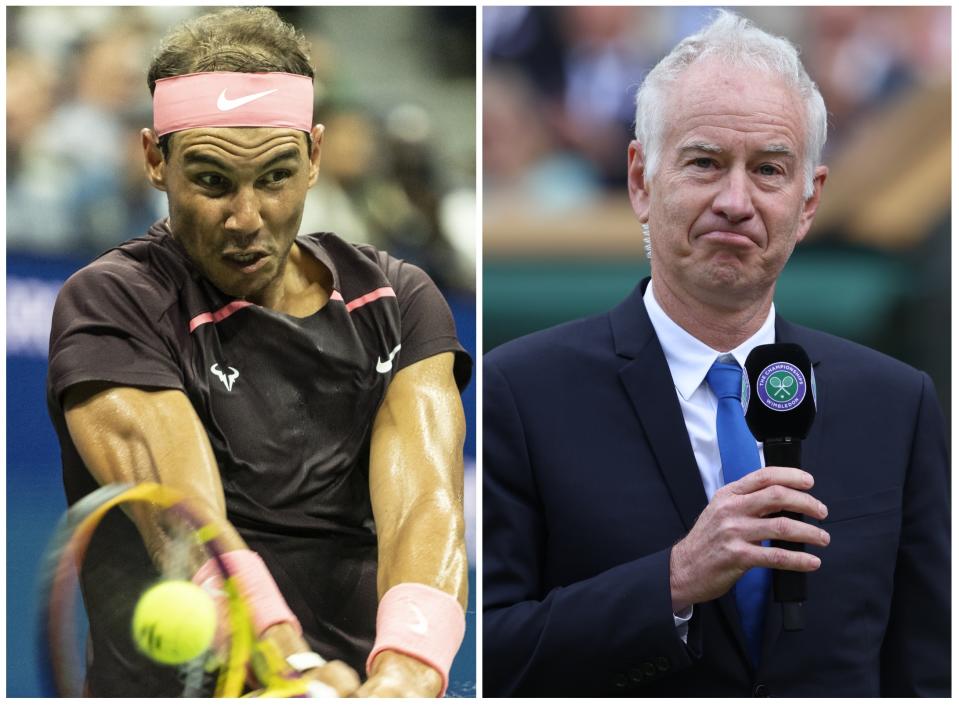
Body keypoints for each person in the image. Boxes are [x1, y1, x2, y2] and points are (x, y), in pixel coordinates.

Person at [483, 10, 948, 697]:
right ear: (640, 180)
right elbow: (487, 657)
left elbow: (926, 667)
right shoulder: (519, 392)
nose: (736, 200)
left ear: (808, 200)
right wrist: (670, 580)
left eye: (767, 169)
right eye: (704, 162)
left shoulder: (894, 402)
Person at [46, 7, 471, 698]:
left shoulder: (396, 298)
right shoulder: (112, 300)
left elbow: (424, 505)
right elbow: (185, 522)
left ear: (315, 155)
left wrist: (405, 672)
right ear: (155, 158)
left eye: (274, 176)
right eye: (212, 181)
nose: (247, 217)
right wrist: (287, 665)